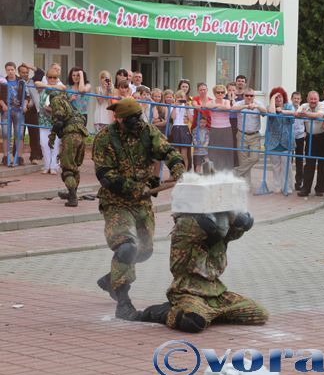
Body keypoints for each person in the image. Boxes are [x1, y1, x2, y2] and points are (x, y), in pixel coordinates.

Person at [92, 98, 185, 320]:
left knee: (144, 250)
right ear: (119, 119)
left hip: (142, 203)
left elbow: (167, 151)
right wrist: (135, 188)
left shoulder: (147, 131)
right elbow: (105, 175)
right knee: (127, 248)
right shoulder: (105, 138)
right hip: (116, 202)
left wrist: (178, 168)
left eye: (139, 117)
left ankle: (112, 279)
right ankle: (123, 302)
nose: (137, 122)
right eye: (131, 119)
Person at [137, 179, 268, 332]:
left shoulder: (220, 232)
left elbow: (236, 228)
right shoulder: (185, 230)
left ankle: (210, 314)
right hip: (188, 293)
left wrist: (239, 218)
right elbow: (196, 224)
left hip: (216, 294)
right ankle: (164, 312)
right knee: (192, 321)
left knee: (259, 314)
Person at [47, 90, 89, 207]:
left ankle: (73, 198)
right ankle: (72, 193)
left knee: (67, 169)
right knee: (74, 167)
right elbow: (83, 119)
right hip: (81, 136)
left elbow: (59, 121)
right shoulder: (69, 104)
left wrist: (52, 136)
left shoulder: (56, 100)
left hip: (70, 137)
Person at [232, 88, 267, 185]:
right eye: (247, 95)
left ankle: (236, 172)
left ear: (254, 96)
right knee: (243, 161)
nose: (249, 97)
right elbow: (233, 109)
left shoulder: (258, 103)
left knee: (255, 158)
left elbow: (265, 111)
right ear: (243, 96)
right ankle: (246, 185)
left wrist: (256, 106)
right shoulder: (239, 103)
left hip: (254, 135)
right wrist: (246, 106)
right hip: (241, 135)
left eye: (251, 95)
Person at [34, 68, 66, 175]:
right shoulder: (43, 86)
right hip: (43, 121)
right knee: (43, 144)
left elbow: (63, 87)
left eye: (54, 77)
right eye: (50, 77)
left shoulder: (59, 87)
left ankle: (54, 166)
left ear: (57, 78)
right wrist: (48, 86)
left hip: (56, 122)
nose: (52, 79)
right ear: (46, 78)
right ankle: (47, 165)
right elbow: (36, 83)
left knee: (55, 145)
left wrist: (52, 86)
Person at [296, 91, 324, 197]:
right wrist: (308, 114)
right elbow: (297, 114)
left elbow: (319, 115)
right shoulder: (304, 105)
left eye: (315, 99)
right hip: (310, 137)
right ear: (307, 99)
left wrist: (305, 114)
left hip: (323, 137)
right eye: (311, 99)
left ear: (318, 99)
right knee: (309, 164)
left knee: (322, 164)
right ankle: (306, 189)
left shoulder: (322, 105)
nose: (313, 101)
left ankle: (320, 189)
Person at [266, 87, 295, 194]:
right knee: (275, 166)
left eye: (280, 97)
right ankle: (277, 187)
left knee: (286, 166)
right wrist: (272, 98)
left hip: (286, 141)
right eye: (276, 97)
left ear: (284, 98)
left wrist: (282, 111)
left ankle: (287, 186)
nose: (278, 99)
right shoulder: (270, 106)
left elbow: (293, 113)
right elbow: (272, 113)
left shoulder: (289, 106)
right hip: (273, 141)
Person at [0, 61, 26, 165]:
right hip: (6, 111)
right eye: (8, 70)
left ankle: (19, 157)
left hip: (18, 111)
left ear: (15, 70)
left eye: (12, 69)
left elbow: (26, 95)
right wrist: (3, 104)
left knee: (19, 134)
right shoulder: (2, 82)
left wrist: (25, 105)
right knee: (6, 134)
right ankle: (6, 156)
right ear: (6, 71)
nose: (10, 72)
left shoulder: (21, 82)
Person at [18, 63, 44, 165]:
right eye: (23, 72)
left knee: (34, 134)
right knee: (19, 133)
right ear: (19, 73)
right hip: (20, 110)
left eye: (27, 72)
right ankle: (18, 157)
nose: (25, 74)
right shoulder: (18, 81)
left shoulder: (34, 81)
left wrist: (29, 66)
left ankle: (34, 157)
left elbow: (41, 72)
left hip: (32, 110)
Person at [206, 85, 234, 171]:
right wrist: (219, 106)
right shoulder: (211, 101)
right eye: (218, 92)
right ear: (214, 93)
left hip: (226, 128)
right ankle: (215, 170)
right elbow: (207, 106)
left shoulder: (226, 101)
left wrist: (216, 106)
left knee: (227, 150)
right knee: (214, 150)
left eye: (222, 92)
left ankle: (227, 171)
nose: (220, 94)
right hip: (214, 128)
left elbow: (228, 107)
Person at [169, 90, 193, 170]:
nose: (181, 99)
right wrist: (175, 106)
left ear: (185, 98)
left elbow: (191, 119)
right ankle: (178, 171)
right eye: (179, 97)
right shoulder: (173, 106)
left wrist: (187, 108)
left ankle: (185, 172)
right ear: (176, 98)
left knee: (184, 154)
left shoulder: (187, 106)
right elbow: (173, 117)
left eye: (182, 97)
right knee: (177, 154)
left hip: (184, 128)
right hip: (175, 128)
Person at [291, 91, 305, 191]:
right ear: (292, 99)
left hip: (300, 137)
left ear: (300, 100)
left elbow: (306, 122)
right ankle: (288, 182)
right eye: (295, 98)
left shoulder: (303, 109)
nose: (296, 100)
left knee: (299, 161)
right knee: (289, 160)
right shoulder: (288, 108)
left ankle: (299, 183)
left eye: (298, 98)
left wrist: (305, 132)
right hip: (290, 136)